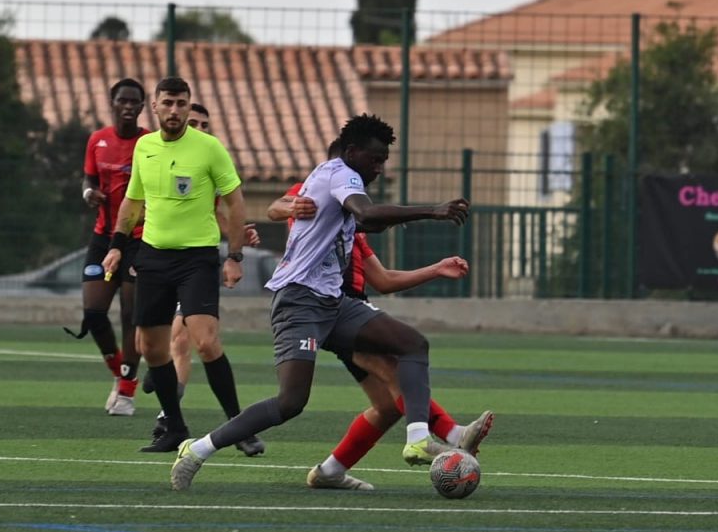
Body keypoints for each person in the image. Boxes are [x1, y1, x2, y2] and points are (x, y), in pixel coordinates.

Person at [171, 113, 469, 490]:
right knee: (291, 402)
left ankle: (418, 439)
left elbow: (367, 222)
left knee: (412, 344)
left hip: (333, 303)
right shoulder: (341, 174)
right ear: (352, 152)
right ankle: (197, 449)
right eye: (375, 159)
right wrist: (433, 210)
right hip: (299, 301)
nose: (379, 168)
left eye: (384, 161)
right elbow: (367, 214)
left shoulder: (336, 176)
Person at [268, 164, 493, 491]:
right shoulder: (322, 193)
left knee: (387, 406)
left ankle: (330, 471)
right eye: (373, 162)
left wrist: (436, 269)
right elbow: (276, 207)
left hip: (352, 307)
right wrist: (290, 207)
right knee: (396, 370)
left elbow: (383, 280)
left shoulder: (352, 229)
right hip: (332, 307)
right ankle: (452, 433)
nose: (375, 170)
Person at [103, 77, 255, 455]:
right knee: (151, 348)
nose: (174, 110)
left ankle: (240, 427)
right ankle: (174, 427)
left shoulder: (209, 148)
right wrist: (117, 246)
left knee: (205, 341)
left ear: (189, 107)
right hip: (153, 256)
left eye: (181, 103)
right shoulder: (144, 147)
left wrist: (234, 256)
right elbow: (133, 201)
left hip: (197, 258)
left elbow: (235, 202)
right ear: (155, 106)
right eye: (168, 103)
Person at [145, 102, 266, 456]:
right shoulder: (155, 153)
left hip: (196, 263)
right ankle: (170, 413)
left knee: (197, 342)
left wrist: (237, 240)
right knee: (170, 341)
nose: (198, 128)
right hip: (158, 259)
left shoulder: (209, 158)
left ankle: (229, 425)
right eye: (194, 122)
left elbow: (220, 209)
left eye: (204, 124)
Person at [64, 78, 148, 417]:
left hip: (138, 238)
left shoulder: (149, 143)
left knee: (130, 313)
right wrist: (88, 192)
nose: (127, 106)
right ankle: (118, 370)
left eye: (134, 101)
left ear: (142, 107)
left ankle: (127, 388)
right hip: (102, 237)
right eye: (122, 100)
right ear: (112, 103)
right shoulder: (97, 140)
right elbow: (89, 178)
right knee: (94, 313)